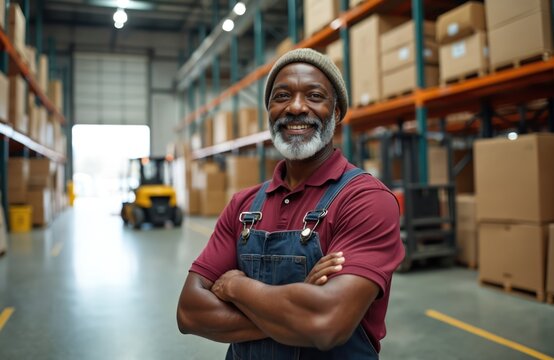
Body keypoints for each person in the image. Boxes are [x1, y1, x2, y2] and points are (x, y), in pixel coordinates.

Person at [177, 48, 404, 359]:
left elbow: (326, 323)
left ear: (336, 113)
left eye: (314, 96)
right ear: (269, 110)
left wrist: (235, 288)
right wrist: (298, 307)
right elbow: (189, 312)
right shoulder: (243, 206)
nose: (296, 107)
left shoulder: (365, 200)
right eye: (282, 96)